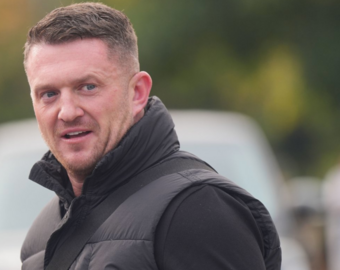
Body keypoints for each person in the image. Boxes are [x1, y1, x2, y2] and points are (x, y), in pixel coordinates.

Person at [21, 2, 281, 270]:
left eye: (88, 87)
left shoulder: (198, 211)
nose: (67, 112)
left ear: (137, 93)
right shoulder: (42, 233)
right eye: (49, 94)